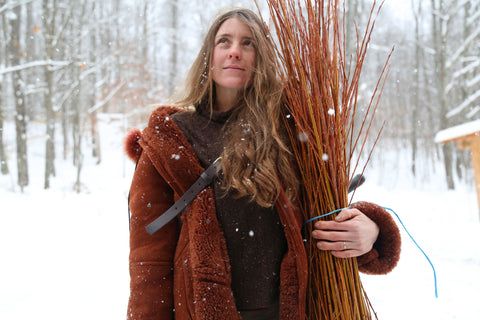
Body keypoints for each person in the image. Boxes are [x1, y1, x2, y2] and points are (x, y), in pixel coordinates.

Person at [124, 7, 401, 320]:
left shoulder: (294, 131)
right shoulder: (170, 140)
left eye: (248, 43)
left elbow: (327, 215)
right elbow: (150, 263)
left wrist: (371, 230)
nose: (234, 52)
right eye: (224, 42)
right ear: (208, 57)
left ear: (263, 57)